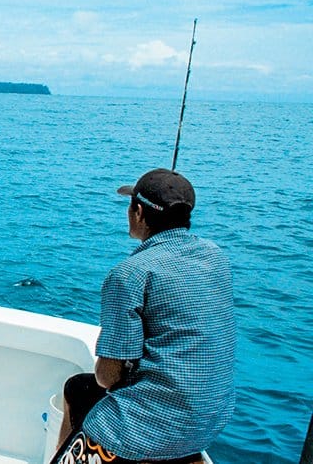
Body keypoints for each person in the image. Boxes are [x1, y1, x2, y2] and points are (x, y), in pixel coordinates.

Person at [51, 168, 235, 464]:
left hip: (147, 430)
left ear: (137, 212)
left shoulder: (130, 274)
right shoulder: (216, 257)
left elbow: (107, 376)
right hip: (208, 423)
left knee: (77, 388)